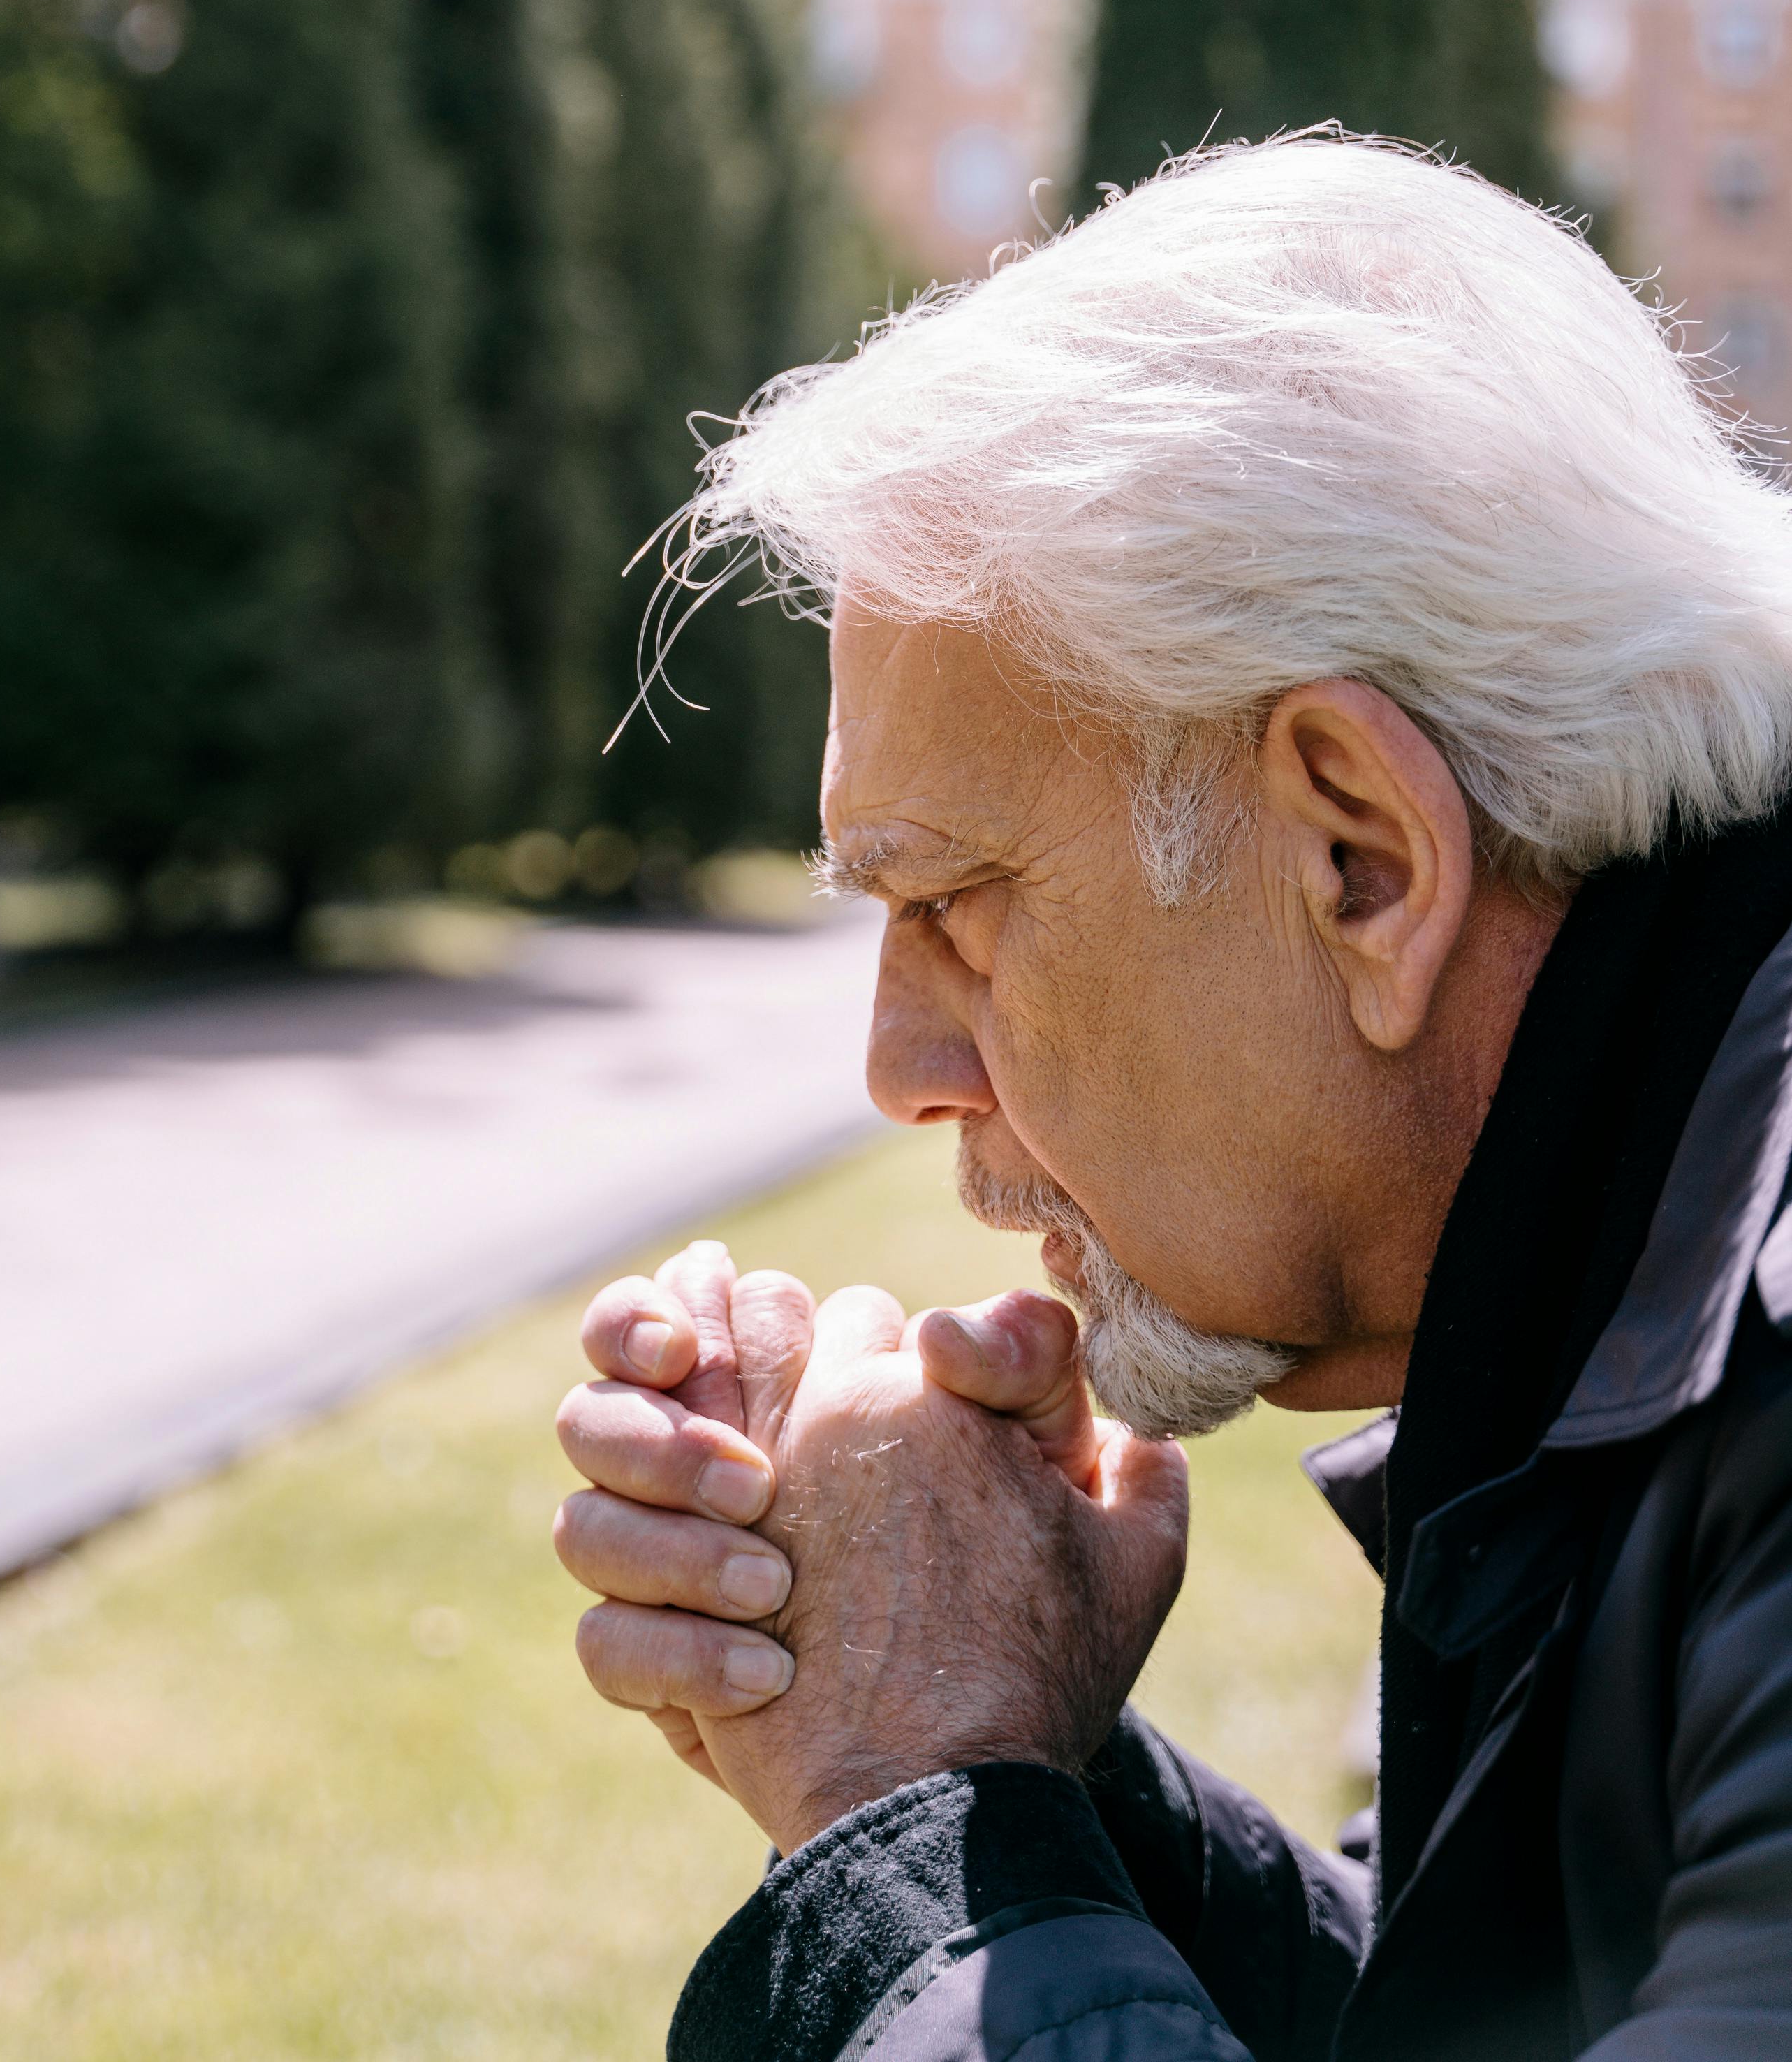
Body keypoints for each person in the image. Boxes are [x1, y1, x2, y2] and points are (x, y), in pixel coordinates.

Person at [552, 134, 1792, 2061]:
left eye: (955, 903)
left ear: (1362, 859)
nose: (897, 1066)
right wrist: (1028, 1756)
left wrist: (913, 1804)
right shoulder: (1637, 1276)